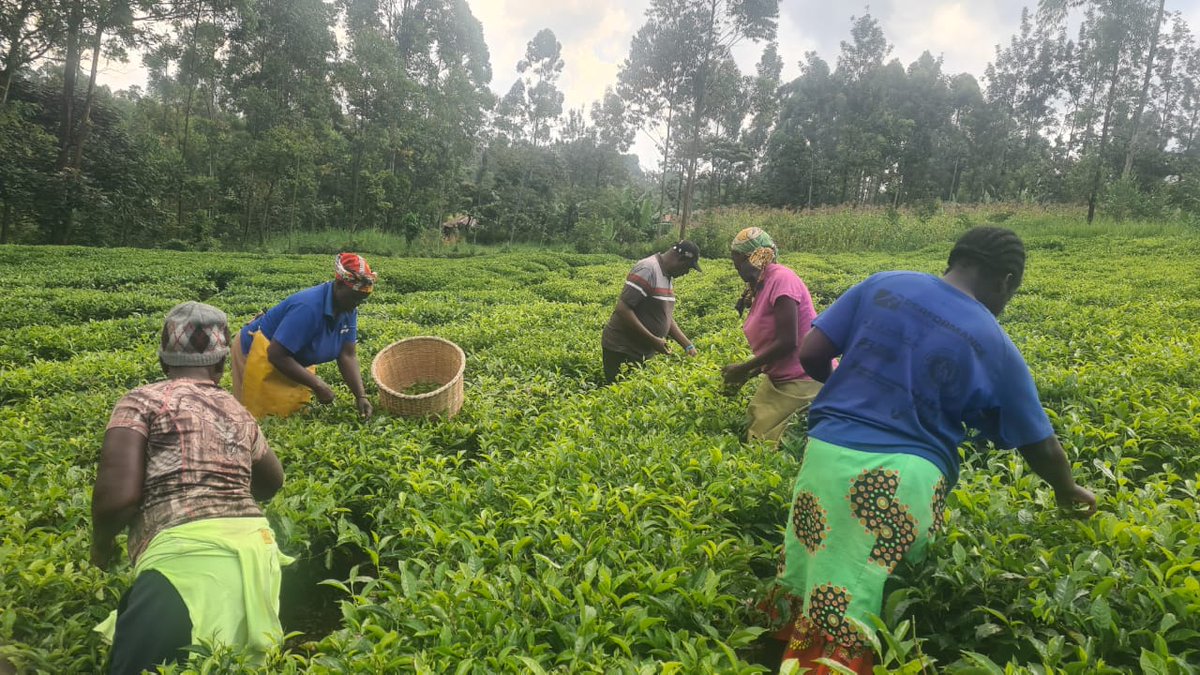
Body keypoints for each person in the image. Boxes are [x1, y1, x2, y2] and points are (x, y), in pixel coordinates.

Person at [771, 227, 1096, 674]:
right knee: (865, 603)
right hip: (901, 478)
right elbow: (1040, 443)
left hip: (825, 453)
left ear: (956, 258)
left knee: (813, 569)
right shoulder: (994, 341)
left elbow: (812, 352)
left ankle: (781, 654)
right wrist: (1067, 489)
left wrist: (852, 386)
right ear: (1005, 280)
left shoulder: (883, 283)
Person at [92, 302, 290, 674]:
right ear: (220, 365)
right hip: (256, 554)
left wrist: (99, 549)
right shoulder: (237, 410)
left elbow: (118, 499)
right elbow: (271, 482)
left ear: (163, 361)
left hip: (185, 564)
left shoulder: (141, 401)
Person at [231, 253, 375, 419]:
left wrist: (360, 396)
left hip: (290, 358)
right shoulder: (308, 307)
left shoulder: (348, 307)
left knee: (288, 413)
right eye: (354, 298)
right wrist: (317, 384)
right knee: (256, 415)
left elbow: (347, 354)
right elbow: (277, 354)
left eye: (361, 300)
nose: (356, 304)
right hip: (256, 352)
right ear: (339, 284)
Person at [721, 228, 822, 445]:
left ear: (754, 258)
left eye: (737, 261)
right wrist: (749, 373)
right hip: (779, 378)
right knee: (751, 429)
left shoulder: (782, 280)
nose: (735, 267)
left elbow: (788, 342)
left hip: (803, 380)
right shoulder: (762, 283)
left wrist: (744, 368)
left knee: (765, 443)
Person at [600, 241, 702, 384]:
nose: (686, 273)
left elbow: (664, 315)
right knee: (621, 392)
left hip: (641, 352)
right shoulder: (648, 269)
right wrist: (653, 340)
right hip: (623, 350)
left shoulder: (666, 275)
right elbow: (622, 309)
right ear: (680, 259)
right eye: (687, 267)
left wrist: (687, 345)